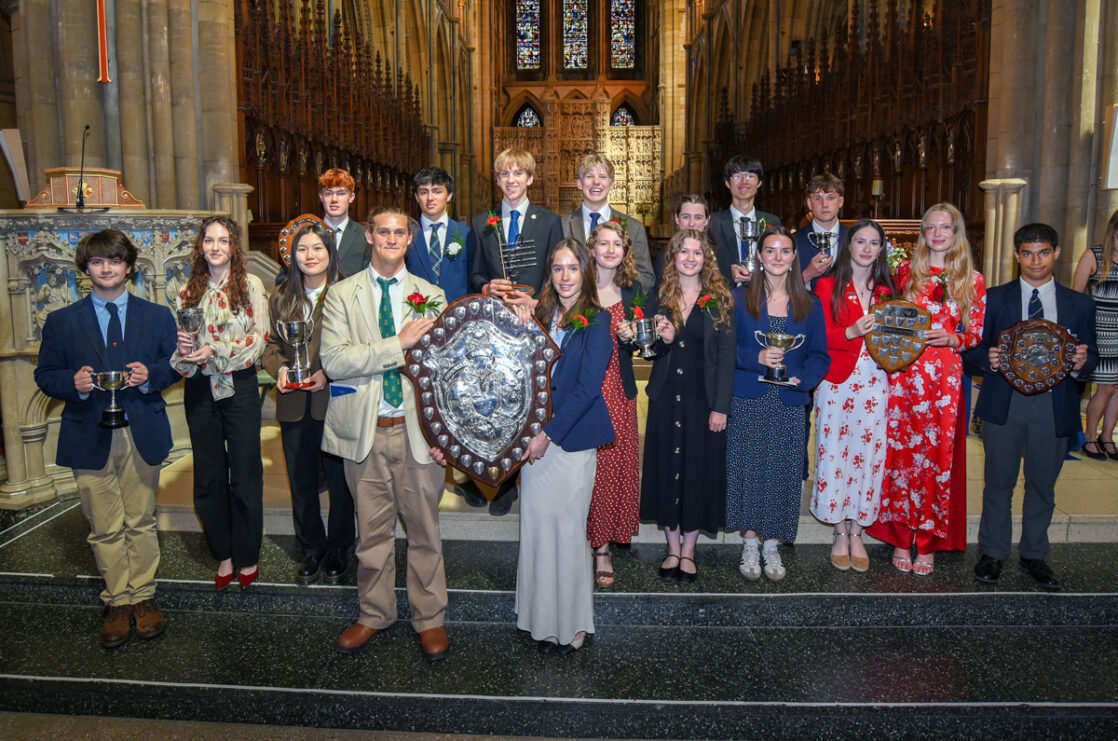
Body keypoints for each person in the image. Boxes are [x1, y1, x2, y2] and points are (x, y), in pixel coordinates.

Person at [34, 229, 179, 648]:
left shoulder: (158, 316)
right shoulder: (62, 321)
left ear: (129, 267)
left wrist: (151, 375)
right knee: (104, 525)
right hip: (88, 433)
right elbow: (45, 374)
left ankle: (144, 597)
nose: (107, 268)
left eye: (115, 260)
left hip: (141, 429)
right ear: (86, 268)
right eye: (98, 261)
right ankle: (117, 600)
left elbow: (175, 365)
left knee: (141, 519)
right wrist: (73, 382)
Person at [320, 206, 450, 662]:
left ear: (409, 239)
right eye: (383, 232)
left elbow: (443, 369)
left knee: (424, 530)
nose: (391, 239)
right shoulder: (341, 294)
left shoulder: (431, 295)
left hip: (418, 432)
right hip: (366, 431)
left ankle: (429, 617)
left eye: (399, 232)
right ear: (370, 237)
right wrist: (399, 345)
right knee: (371, 533)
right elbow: (335, 360)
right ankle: (374, 613)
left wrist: (445, 435)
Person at [969, 224, 1096, 590]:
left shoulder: (1079, 304)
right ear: (1016, 255)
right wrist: (988, 359)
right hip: (1005, 402)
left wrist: (1081, 363)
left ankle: (1034, 555)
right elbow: (971, 350)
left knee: (1042, 484)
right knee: (998, 482)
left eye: (1043, 253)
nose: (1035, 261)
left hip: (1053, 405)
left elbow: (1092, 358)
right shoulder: (993, 299)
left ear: (1056, 253)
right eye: (1027, 253)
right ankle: (993, 553)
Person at [866, 203, 987, 576]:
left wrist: (953, 338)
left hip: (944, 379)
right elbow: (885, 318)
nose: (937, 234)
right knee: (902, 455)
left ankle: (930, 541)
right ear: (923, 233)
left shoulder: (973, 279)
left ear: (956, 233)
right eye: (931, 228)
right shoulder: (906, 273)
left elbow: (976, 333)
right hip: (905, 375)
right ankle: (902, 537)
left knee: (937, 458)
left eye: (945, 227)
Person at [514, 238, 614, 654]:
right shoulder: (539, 314)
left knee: (569, 533)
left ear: (585, 272)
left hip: (568, 442)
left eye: (573, 268)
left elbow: (589, 388)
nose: (565, 276)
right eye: (558, 268)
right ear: (550, 274)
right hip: (533, 437)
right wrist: (520, 325)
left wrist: (548, 435)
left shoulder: (598, 320)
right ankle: (538, 619)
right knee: (537, 531)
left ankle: (572, 622)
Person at [725, 227, 830, 582]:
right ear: (759, 256)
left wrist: (805, 379)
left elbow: (820, 355)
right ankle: (749, 542)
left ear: (793, 257)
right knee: (750, 469)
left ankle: (772, 544)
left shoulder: (810, 304)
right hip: (750, 396)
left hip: (789, 399)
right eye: (770, 250)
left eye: (785, 251)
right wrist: (755, 357)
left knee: (782, 471)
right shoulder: (739, 298)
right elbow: (726, 349)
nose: (777, 257)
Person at [171, 216, 270, 590]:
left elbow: (259, 340)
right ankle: (224, 552)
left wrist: (216, 349)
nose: (215, 247)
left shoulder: (250, 285)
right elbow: (181, 347)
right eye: (209, 240)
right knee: (209, 476)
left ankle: (247, 554)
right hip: (199, 387)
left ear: (234, 247)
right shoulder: (186, 291)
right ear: (200, 246)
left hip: (238, 387)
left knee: (245, 474)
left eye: (223, 240)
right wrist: (184, 351)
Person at [637, 229, 735, 583]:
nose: (690, 258)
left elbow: (726, 357)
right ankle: (672, 547)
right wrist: (661, 339)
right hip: (666, 396)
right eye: (684, 251)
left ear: (706, 258)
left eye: (697, 252)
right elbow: (648, 351)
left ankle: (689, 550)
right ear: (673, 257)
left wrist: (721, 407)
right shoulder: (659, 296)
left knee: (696, 471)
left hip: (702, 399)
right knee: (667, 468)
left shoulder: (719, 299)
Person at [468, 148, 563, 515]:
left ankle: (532, 473)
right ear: (497, 179)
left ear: (530, 178)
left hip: (534, 321)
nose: (511, 180)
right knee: (500, 399)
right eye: (504, 174)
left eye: (518, 173)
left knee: (530, 397)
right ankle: (504, 482)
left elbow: (557, 272)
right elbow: (474, 274)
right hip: (496, 325)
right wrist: (486, 286)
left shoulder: (549, 221)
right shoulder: (482, 222)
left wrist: (537, 302)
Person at [260, 217, 354, 585]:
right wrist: (281, 369)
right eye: (302, 249)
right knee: (301, 482)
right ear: (292, 255)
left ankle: (339, 547)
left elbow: (358, 346)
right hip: (294, 403)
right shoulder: (281, 296)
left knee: (340, 482)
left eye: (317, 248)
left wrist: (329, 372)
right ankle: (311, 547)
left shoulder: (348, 292)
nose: (310, 255)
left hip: (335, 400)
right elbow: (270, 345)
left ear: (330, 253)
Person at [810, 219, 897, 572]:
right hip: (837, 383)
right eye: (860, 241)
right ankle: (839, 530)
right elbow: (816, 337)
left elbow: (899, 338)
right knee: (835, 453)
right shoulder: (827, 285)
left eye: (873, 243)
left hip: (875, 381)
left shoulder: (888, 290)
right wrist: (850, 330)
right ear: (848, 246)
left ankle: (858, 529)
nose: (866, 249)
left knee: (869, 453)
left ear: (881, 249)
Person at [584, 221, 642, 588]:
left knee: (609, 468)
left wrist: (633, 336)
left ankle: (602, 546)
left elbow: (647, 346)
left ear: (625, 251)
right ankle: (577, 537)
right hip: (583, 391)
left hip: (618, 390)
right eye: (603, 243)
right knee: (580, 469)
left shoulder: (633, 292)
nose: (609, 250)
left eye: (616, 244)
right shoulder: (577, 287)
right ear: (591, 249)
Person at [560, 153, 655, 292]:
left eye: (603, 177)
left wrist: (615, 286)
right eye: (589, 176)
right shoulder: (562, 225)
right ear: (579, 183)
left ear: (612, 185)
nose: (596, 182)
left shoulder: (634, 228)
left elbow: (647, 279)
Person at [1071, 208, 1118, 460]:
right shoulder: (1094, 256)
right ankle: (1090, 436)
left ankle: (1106, 436)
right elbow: (1076, 298)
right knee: (1107, 387)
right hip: (1101, 332)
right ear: (1113, 231)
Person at [707, 155, 783, 287]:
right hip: (724, 293)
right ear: (727, 183)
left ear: (759, 182)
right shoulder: (712, 223)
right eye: (737, 176)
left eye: (750, 176)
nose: (744, 181)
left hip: (763, 293)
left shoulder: (772, 222)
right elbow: (703, 262)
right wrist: (727, 271)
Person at [407, 166, 472, 304]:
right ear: (417, 197)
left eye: (437, 191)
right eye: (424, 192)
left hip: (457, 310)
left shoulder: (467, 234)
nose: (430, 198)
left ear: (449, 196)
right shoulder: (407, 234)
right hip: (417, 312)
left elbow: (472, 278)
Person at [793, 173, 848, 289]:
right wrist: (808, 274)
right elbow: (781, 289)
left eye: (831, 198)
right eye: (818, 198)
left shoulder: (853, 238)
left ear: (840, 202)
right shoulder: (794, 241)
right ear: (809, 203)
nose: (824, 204)